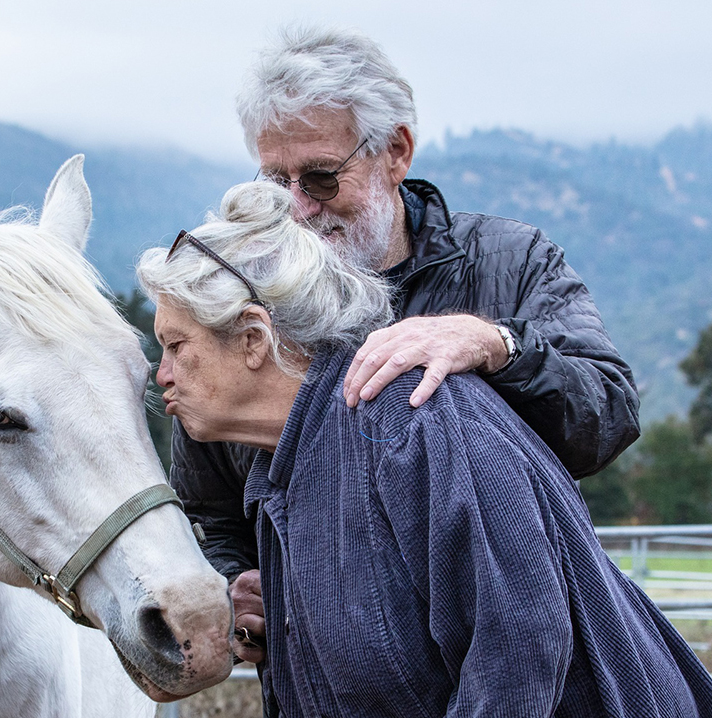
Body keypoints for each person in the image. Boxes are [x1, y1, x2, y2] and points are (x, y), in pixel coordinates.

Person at [137, 181, 712, 718]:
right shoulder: (283, 476)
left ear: (253, 340)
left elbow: (522, 645)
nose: (160, 375)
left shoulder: (416, 422)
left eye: (174, 345)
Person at [171, 26, 642, 664]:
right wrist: (237, 587)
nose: (298, 210)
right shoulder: (243, 302)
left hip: (503, 662)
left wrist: (495, 343)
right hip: (335, 701)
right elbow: (207, 503)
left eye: (320, 178)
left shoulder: (506, 262)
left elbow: (607, 414)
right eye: (273, 183)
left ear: (396, 152)